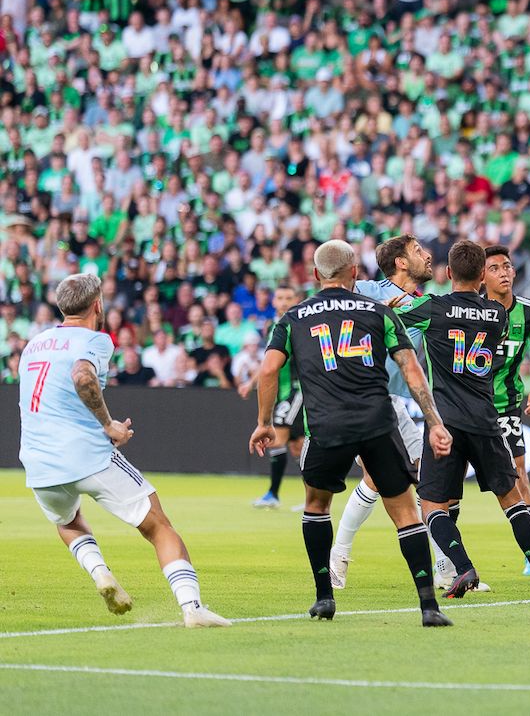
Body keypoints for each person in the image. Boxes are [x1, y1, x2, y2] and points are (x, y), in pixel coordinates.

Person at [248, 241, 450, 626]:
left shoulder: (294, 316)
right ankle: (429, 605)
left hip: (325, 425)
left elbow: (269, 370)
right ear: (355, 273)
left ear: (314, 276)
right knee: (406, 512)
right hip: (376, 421)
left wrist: (264, 422)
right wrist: (435, 421)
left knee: (316, 505)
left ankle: (325, 597)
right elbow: (410, 369)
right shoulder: (377, 310)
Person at [20, 273, 230, 628]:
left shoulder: (34, 343)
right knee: (158, 526)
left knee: (68, 521)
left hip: (39, 463)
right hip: (88, 455)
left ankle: (101, 573)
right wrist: (109, 424)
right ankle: (192, 607)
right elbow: (83, 377)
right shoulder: (96, 339)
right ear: (98, 305)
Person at [396, 241, 530, 598]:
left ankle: (462, 565)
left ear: (449, 273)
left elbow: (394, 318)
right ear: (482, 274)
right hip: (487, 419)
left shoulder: (432, 308)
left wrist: (396, 301)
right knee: (514, 500)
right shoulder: (498, 315)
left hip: (446, 423)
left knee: (433, 505)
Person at [329, 234, 438, 590]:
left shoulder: (423, 307)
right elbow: (329, 307)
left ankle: (339, 554)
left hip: (392, 402)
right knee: (426, 474)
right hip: (362, 396)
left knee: (379, 479)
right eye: (419, 251)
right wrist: (370, 311)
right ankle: (447, 566)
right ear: (402, 263)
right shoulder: (366, 290)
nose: (428, 255)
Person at [482, 244, 530, 588]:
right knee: (448, 488)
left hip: (506, 405)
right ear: (482, 275)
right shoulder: (473, 309)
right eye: (495, 267)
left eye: (507, 266)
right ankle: (447, 563)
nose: (504, 272)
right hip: (467, 406)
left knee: (518, 476)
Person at [241, 285, 304, 508]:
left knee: (277, 437)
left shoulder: (299, 324)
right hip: (281, 392)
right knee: (299, 446)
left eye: (289, 297)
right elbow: (269, 362)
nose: (284, 301)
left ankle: (273, 495)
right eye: (280, 297)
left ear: (297, 299)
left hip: (296, 390)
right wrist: (251, 382)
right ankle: (313, 499)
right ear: (273, 301)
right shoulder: (274, 326)